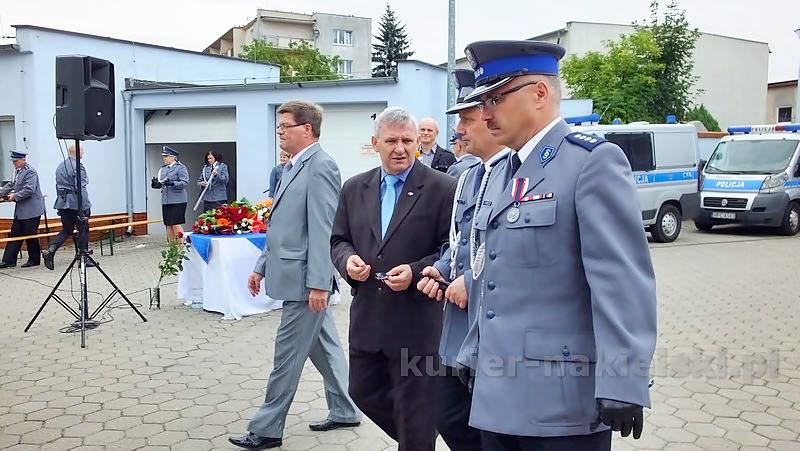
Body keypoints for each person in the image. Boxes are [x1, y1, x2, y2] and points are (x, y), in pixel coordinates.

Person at [455, 40, 658, 451]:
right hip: (497, 396)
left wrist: (623, 380)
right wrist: (472, 348)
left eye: (495, 99)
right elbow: (492, 273)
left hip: (560, 406)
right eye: (483, 102)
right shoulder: (500, 172)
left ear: (539, 93)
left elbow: (621, 281)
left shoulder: (590, 163)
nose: (485, 113)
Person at [230, 101, 361, 450]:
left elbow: (323, 230)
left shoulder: (320, 166)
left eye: (285, 126)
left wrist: (319, 283)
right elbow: (282, 227)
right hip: (294, 276)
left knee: (286, 357)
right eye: (279, 126)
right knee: (326, 348)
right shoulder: (292, 166)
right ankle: (346, 409)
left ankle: (266, 429)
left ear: (307, 129)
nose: (280, 132)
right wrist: (261, 266)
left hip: (306, 283)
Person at [330, 106, 456, 451]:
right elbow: (338, 240)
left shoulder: (443, 187)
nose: (400, 148)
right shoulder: (354, 188)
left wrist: (415, 272)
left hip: (418, 325)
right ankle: (423, 433)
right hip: (369, 320)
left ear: (418, 143)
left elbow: (451, 248)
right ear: (376, 143)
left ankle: (419, 435)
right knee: (362, 392)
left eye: (407, 141)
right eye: (391, 141)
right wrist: (347, 261)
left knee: (415, 417)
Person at [416, 68, 507, 451]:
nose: (459, 131)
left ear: (491, 119)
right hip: (456, 327)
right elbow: (462, 239)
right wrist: (440, 268)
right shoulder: (469, 176)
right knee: (448, 415)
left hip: (490, 325)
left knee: (488, 426)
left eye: (468, 120)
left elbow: (510, 249)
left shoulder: (515, 175)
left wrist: (470, 281)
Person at [41, 144, 91, 271]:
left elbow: (57, 186)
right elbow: (81, 188)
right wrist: (85, 206)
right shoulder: (78, 166)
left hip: (62, 202)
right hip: (76, 203)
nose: (83, 153)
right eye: (82, 151)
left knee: (67, 230)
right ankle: (84, 259)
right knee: (83, 229)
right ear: (78, 152)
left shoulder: (60, 166)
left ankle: (51, 249)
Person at [0, 151, 45, 268]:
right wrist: (1, 193)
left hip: (31, 210)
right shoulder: (17, 171)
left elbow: (29, 190)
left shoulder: (30, 172)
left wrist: (14, 196)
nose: (13, 163)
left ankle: (34, 259)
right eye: (13, 161)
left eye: (15, 161)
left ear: (23, 160)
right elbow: (11, 185)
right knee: (15, 233)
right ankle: (9, 260)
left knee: (30, 235)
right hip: (21, 210)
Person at [150, 146, 189, 242]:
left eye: (166, 156)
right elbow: (162, 183)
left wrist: (173, 183)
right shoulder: (163, 169)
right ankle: (172, 247)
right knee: (168, 225)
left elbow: (185, 183)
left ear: (173, 157)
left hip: (178, 200)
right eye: (164, 156)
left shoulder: (180, 168)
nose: (164, 158)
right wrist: (156, 184)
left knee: (176, 224)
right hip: (166, 200)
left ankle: (181, 246)